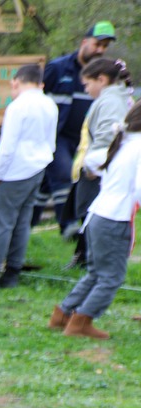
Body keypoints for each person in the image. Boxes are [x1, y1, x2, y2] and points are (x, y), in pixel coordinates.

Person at [52, 101, 141, 340]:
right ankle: (81, 322)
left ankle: (62, 315)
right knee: (111, 277)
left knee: (95, 272)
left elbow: (91, 159)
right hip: (115, 219)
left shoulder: (123, 142)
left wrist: (99, 174)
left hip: (97, 215)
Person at [0, 65, 59, 290]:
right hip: (38, 168)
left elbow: (7, 146)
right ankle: (12, 273)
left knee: (2, 223)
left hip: (15, 171)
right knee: (23, 223)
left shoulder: (18, 106)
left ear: (16, 82)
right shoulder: (50, 104)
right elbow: (51, 141)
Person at [42, 22, 117, 238]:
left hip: (85, 140)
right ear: (84, 42)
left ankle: (28, 223)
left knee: (48, 186)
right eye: (97, 44)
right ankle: (68, 226)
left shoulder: (104, 76)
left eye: (105, 46)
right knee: (65, 174)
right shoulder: (57, 68)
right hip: (58, 136)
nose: (100, 50)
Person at [67, 59, 133, 267]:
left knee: (92, 214)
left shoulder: (110, 102)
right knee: (86, 214)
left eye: (87, 84)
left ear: (101, 80)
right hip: (97, 169)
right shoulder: (111, 99)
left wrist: (94, 164)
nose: (86, 90)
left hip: (98, 172)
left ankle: (93, 261)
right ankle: (87, 258)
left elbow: (108, 138)